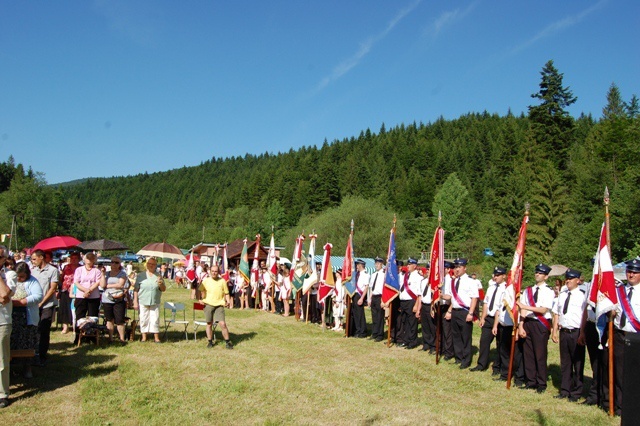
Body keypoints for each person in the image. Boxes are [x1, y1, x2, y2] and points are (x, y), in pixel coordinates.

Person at [603, 258, 640, 416]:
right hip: (619, 335)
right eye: (629, 271)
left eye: (635, 272)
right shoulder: (619, 291)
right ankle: (620, 405)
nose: (631, 274)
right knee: (619, 371)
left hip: (637, 336)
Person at [517, 263, 554, 393]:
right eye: (536, 272)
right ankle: (531, 380)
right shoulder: (528, 290)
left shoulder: (549, 291)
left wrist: (524, 306)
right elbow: (522, 310)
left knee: (540, 354)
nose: (537, 274)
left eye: (541, 273)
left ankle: (541, 383)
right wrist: (521, 325)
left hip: (540, 324)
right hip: (528, 322)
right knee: (528, 354)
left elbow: (543, 309)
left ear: (546, 277)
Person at [551, 268, 585, 402]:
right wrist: (554, 330)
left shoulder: (582, 296)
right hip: (564, 331)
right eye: (567, 278)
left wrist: (582, 333)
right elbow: (557, 313)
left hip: (576, 332)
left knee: (577, 362)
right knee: (565, 363)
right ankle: (565, 389)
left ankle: (577, 392)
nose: (568, 281)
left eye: (571, 279)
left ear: (578, 280)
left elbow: (584, 317)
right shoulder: (562, 295)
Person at [443, 258, 478, 369]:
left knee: (465, 337)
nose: (456, 270)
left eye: (459, 267)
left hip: (465, 311)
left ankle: (466, 360)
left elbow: (474, 298)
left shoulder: (470, 281)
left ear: (464, 268)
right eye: (455, 267)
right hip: (455, 311)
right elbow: (449, 297)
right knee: (456, 336)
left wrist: (471, 313)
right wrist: (439, 294)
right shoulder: (453, 281)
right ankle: (458, 357)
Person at [10, 262, 43, 379]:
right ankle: (10, 369)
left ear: (27, 274)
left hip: (27, 319)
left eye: (22, 276)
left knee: (27, 344)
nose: (19, 279)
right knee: (10, 344)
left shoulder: (33, 281)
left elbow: (38, 296)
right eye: (17, 276)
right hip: (11, 318)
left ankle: (27, 369)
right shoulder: (10, 280)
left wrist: (22, 302)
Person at [471, 267, 507, 373]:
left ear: (504, 276)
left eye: (498, 275)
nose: (495, 277)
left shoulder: (506, 289)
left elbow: (500, 307)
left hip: (500, 319)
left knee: (500, 344)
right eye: (494, 275)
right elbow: (486, 303)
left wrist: (496, 324)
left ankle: (497, 367)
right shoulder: (491, 287)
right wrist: (483, 318)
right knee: (484, 341)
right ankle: (481, 364)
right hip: (489, 318)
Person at [30, 249, 59, 366]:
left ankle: (42, 355)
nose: (32, 261)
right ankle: (33, 353)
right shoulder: (32, 271)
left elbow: (53, 288)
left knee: (44, 329)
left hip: (47, 305)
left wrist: (42, 302)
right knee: (34, 329)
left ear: (41, 257)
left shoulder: (53, 270)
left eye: (34, 259)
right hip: (34, 304)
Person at [198, 265, 233, 349]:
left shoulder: (222, 281)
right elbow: (200, 290)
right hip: (208, 304)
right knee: (209, 324)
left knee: (222, 324)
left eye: (215, 271)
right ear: (210, 271)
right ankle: (210, 342)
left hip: (219, 305)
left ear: (218, 272)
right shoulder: (206, 281)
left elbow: (226, 293)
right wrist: (200, 299)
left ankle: (227, 342)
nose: (214, 273)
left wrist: (228, 302)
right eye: (212, 271)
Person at [73, 252, 103, 345]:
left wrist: (89, 290)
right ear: (84, 260)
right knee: (79, 317)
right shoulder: (79, 270)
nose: (89, 261)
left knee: (93, 317)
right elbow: (76, 282)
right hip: (80, 296)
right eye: (88, 259)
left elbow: (98, 282)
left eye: (91, 259)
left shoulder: (97, 271)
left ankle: (92, 337)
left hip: (93, 296)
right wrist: (85, 290)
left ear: (94, 260)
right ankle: (78, 337)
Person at [133, 258, 166, 343]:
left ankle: (156, 337)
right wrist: (135, 301)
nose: (151, 265)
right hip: (143, 300)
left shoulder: (158, 275)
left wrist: (161, 283)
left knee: (155, 318)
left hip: (155, 300)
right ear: (147, 265)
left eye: (153, 264)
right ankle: (144, 337)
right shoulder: (141, 275)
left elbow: (163, 289)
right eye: (150, 263)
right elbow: (136, 289)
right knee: (143, 318)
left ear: (156, 266)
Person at [0, 246, 16, 408]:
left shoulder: (10, 275)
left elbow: (5, 295)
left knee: (2, 359)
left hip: (2, 321)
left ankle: (2, 393)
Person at [100, 257, 128, 343]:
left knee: (119, 320)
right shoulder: (106, 274)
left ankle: (122, 339)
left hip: (118, 299)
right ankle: (110, 338)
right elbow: (102, 285)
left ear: (120, 264)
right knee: (109, 319)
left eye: (116, 262)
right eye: (112, 262)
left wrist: (107, 286)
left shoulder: (122, 274)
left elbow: (120, 285)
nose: (114, 264)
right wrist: (102, 274)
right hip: (107, 299)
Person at [397, 257, 421, 349]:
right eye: (407, 264)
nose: (408, 266)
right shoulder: (405, 275)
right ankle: (406, 340)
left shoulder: (418, 277)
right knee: (405, 322)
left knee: (412, 323)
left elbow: (419, 293)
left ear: (415, 266)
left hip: (411, 301)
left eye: (410, 264)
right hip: (403, 301)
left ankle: (412, 341)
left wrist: (416, 305)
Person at [58, 252, 80, 334]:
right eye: (72, 258)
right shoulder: (66, 267)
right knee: (64, 308)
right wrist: (60, 275)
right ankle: (65, 327)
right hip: (65, 289)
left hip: (76, 290)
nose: (73, 260)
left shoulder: (81, 268)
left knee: (76, 308)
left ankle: (75, 326)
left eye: (75, 258)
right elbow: (62, 278)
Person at [417, 263, 437, 353]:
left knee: (432, 326)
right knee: (424, 326)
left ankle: (433, 345)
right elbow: (420, 296)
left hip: (431, 306)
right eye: (427, 270)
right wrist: (418, 309)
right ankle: (426, 344)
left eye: (430, 270)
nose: (428, 271)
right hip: (424, 305)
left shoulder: (435, 282)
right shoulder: (423, 281)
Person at [350, 259, 369, 337]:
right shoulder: (357, 274)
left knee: (360, 314)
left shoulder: (365, 274)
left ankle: (362, 331)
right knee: (356, 314)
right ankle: (357, 330)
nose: (356, 266)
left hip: (360, 295)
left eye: (357, 265)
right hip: (355, 294)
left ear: (360, 265)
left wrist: (362, 298)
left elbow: (366, 287)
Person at [369, 257, 385, 342]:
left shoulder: (384, 274)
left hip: (380, 297)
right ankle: (374, 333)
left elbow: (384, 289)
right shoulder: (373, 274)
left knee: (380, 317)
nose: (376, 265)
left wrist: (383, 300)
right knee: (374, 316)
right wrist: (370, 298)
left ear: (381, 264)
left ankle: (380, 334)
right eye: (376, 263)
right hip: (374, 296)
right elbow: (372, 288)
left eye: (378, 264)